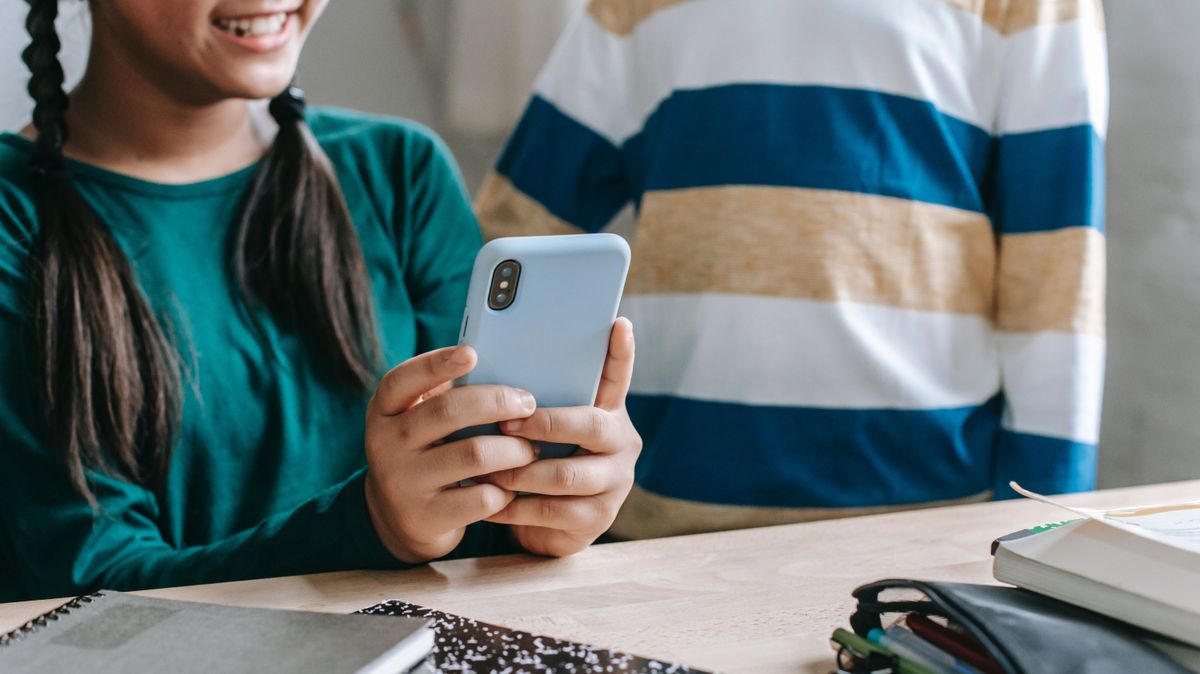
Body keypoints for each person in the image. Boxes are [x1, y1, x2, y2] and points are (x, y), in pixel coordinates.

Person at [0, 0, 642, 602]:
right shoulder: (15, 218)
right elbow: (85, 587)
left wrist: (541, 515)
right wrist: (373, 527)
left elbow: (474, 516)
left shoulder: (400, 173)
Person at [477, 0, 1107, 539]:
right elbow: (516, 231)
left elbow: (1056, 274)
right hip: (663, 518)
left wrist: (1048, 530)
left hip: (921, 523)